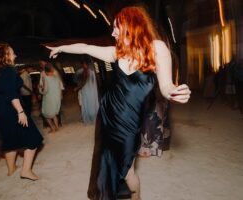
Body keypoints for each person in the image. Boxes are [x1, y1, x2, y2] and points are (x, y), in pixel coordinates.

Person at [46, 6, 191, 200]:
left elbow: (166, 86)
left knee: (127, 168)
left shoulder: (157, 48)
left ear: (132, 25)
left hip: (130, 123)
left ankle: (136, 197)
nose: (113, 32)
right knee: (106, 159)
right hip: (108, 116)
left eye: (116, 27)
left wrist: (175, 92)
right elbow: (85, 48)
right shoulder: (117, 53)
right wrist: (62, 47)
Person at [0, 43, 43, 180]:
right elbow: (11, 93)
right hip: (10, 107)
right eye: (12, 52)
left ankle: (11, 169)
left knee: (9, 139)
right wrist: (21, 112)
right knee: (34, 138)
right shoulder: (9, 69)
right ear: (6, 55)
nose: (15, 55)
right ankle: (26, 171)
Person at [74, 57, 99, 124]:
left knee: (88, 104)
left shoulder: (86, 71)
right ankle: (94, 118)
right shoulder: (92, 71)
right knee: (93, 103)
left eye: (83, 64)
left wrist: (78, 88)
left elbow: (84, 81)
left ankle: (89, 119)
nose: (82, 65)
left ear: (85, 64)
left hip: (87, 90)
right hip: (92, 90)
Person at [39, 63, 62, 133]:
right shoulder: (57, 77)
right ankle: (57, 127)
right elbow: (60, 88)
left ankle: (52, 128)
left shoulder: (46, 79)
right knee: (54, 114)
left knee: (45, 114)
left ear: (45, 71)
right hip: (56, 98)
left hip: (49, 99)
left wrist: (40, 89)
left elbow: (45, 91)